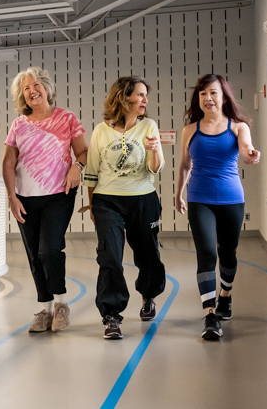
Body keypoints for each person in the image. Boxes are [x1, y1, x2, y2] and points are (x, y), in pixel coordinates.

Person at [173, 73, 260, 341]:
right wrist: (178, 194)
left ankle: (225, 295)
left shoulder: (237, 127)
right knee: (207, 253)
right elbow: (185, 164)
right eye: (203, 94)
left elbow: (246, 148)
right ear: (197, 99)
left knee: (228, 253)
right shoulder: (190, 130)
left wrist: (251, 154)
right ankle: (210, 314)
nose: (208, 98)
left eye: (213, 93)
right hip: (200, 199)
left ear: (223, 97)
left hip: (232, 200)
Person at [2, 67, 88, 333]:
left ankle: (61, 303)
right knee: (33, 256)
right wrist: (12, 197)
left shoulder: (67, 118)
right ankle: (45, 308)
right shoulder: (19, 124)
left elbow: (84, 151)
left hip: (58, 195)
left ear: (48, 88)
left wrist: (77, 167)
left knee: (48, 250)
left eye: (36, 84)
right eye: (26, 88)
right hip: (26, 198)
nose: (32, 91)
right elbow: (7, 162)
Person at [82, 76, 167, 340]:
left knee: (148, 256)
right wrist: (93, 205)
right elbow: (92, 173)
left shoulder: (149, 126)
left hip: (143, 198)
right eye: (140, 95)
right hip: (108, 200)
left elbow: (156, 168)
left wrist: (154, 150)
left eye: (145, 96)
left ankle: (148, 294)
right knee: (109, 256)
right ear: (124, 97)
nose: (145, 101)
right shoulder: (100, 131)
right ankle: (111, 315)